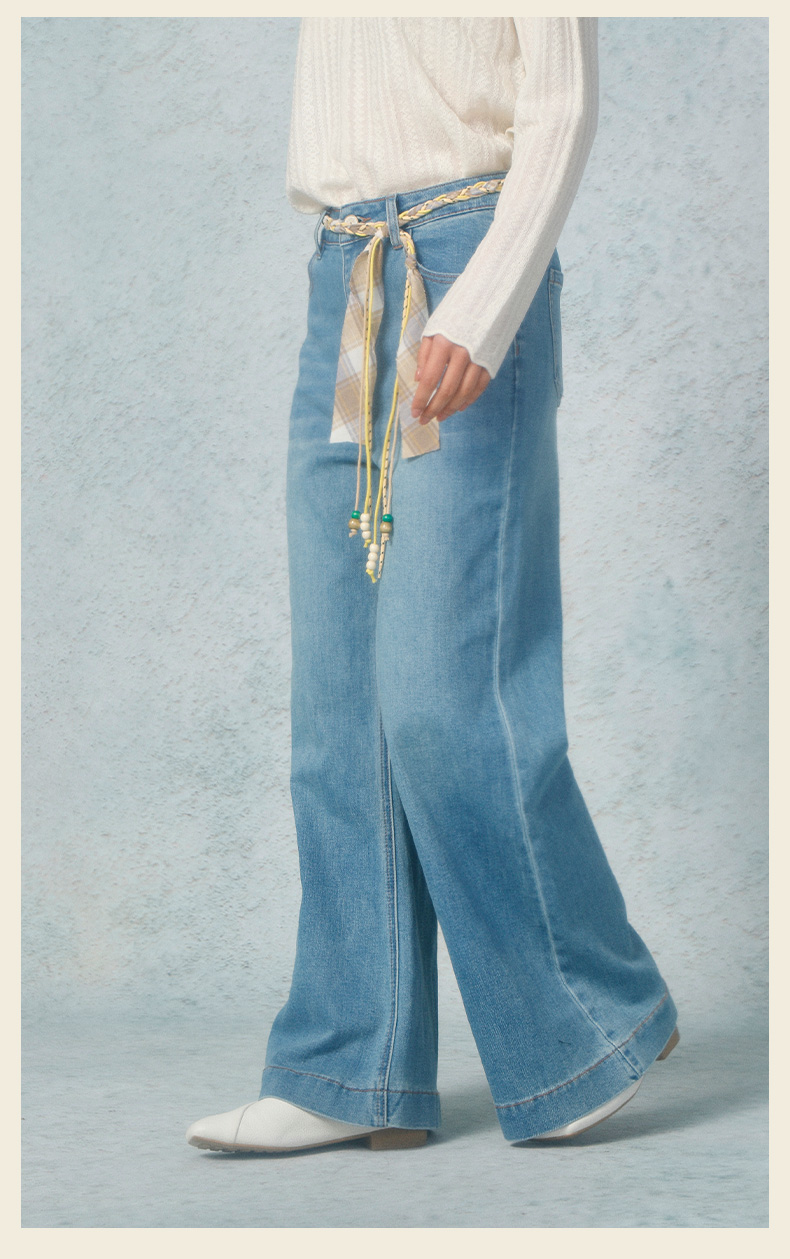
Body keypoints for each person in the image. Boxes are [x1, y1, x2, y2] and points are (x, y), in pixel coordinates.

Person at [186, 15, 679, 1155]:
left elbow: (559, 100)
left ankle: (590, 1019)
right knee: (340, 712)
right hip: (344, 268)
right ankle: (347, 1065)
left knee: (439, 693)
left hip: (463, 255)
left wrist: (487, 300)